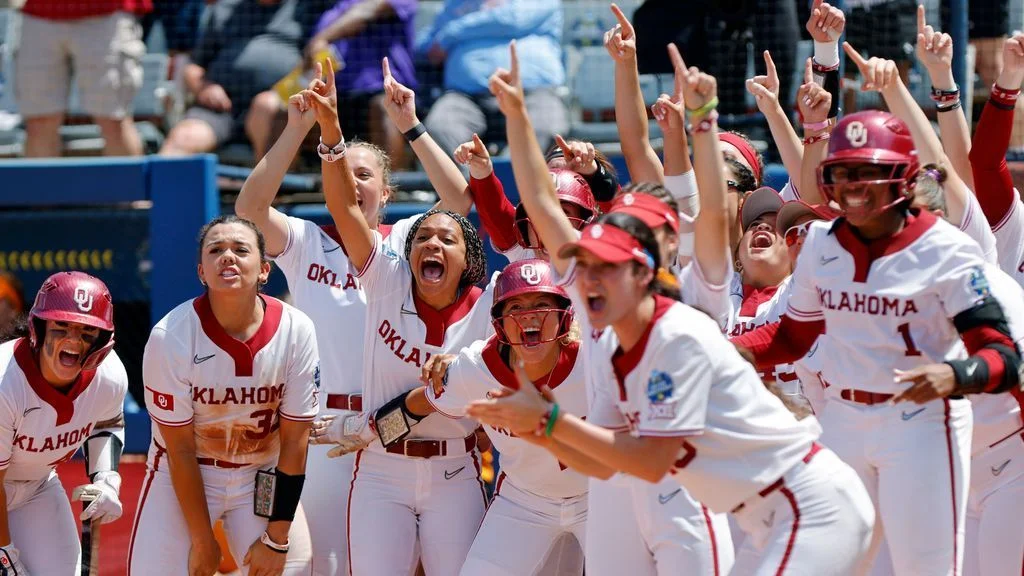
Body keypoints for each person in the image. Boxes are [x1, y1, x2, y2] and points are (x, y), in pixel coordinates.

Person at [732, 98, 1023, 575]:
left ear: (904, 178)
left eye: (868, 171)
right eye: (844, 173)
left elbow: (1003, 356)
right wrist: (728, 350)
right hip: (845, 421)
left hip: (921, 424)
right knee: (829, 559)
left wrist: (956, 374)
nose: (853, 187)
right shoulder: (822, 244)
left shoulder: (947, 251)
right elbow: (792, 337)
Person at [235, 56, 474, 576]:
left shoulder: (410, 242)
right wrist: (299, 128)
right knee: (320, 566)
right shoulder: (308, 243)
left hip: (395, 428)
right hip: (323, 433)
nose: (353, 181)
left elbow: (459, 199)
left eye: (364, 174)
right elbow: (250, 210)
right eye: (344, 173)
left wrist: (410, 124)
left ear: (386, 193)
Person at [300, 57, 495, 575]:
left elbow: (460, 198)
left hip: (453, 468)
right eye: (424, 236)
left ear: (466, 258)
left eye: (445, 238)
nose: (431, 241)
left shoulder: (484, 308)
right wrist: (331, 133)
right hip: (378, 468)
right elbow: (343, 210)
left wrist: (410, 123)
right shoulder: (386, 280)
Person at [348, 258, 587, 575]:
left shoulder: (596, 358)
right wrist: (369, 430)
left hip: (598, 498)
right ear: (499, 321)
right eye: (515, 307)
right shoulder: (476, 367)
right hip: (525, 501)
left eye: (542, 303)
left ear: (564, 314)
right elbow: (424, 404)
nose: (529, 315)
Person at [129, 216, 319, 576]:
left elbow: (296, 440)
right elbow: (180, 449)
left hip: (261, 473)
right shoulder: (171, 335)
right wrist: (203, 541)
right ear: (202, 272)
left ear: (265, 270)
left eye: (240, 249)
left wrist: (277, 539)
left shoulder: (297, 330)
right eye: (216, 250)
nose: (227, 257)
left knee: (294, 567)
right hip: (185, 472)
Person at [0, 271, 127, 574]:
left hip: (37, 487)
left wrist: (106, 480)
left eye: (87, 331)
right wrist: (5, 554)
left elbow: (106, 423)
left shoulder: (108, 376)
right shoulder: (5, 380)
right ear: (38, 327)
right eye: (62, 326)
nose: (73, 339)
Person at [158, 0, 322, 161]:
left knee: (266, 107)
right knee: (182, 138)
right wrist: (204, 88)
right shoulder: (225, 9)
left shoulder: (304, 9)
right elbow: (194, 67)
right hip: (221, 109)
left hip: (274, 109)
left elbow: (320, 61)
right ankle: (155, 187)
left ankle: (269, 187)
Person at [418, 0, 568, 157]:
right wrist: (434, 44)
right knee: (440, 127)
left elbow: (512, 19)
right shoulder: (456, 4)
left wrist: (451, 33)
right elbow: (428, 43)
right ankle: (471, 181)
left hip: (534, 93)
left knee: (546, 127)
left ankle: (517, 177)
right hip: (465, 97)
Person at [15, 0, 149, 157]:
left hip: (106, 14)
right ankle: (43, 182)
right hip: (39, 13)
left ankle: (127, 182)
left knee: (113, 120)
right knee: (39, 122)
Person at [306, 0, 419, 168]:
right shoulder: (332, 12)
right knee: (303, 107)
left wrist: (323, 38)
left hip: (387, 89)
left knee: (384, 108)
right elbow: (314, 56)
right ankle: (294, 188)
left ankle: (393, 189)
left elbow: (367, 11)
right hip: (340, 94)